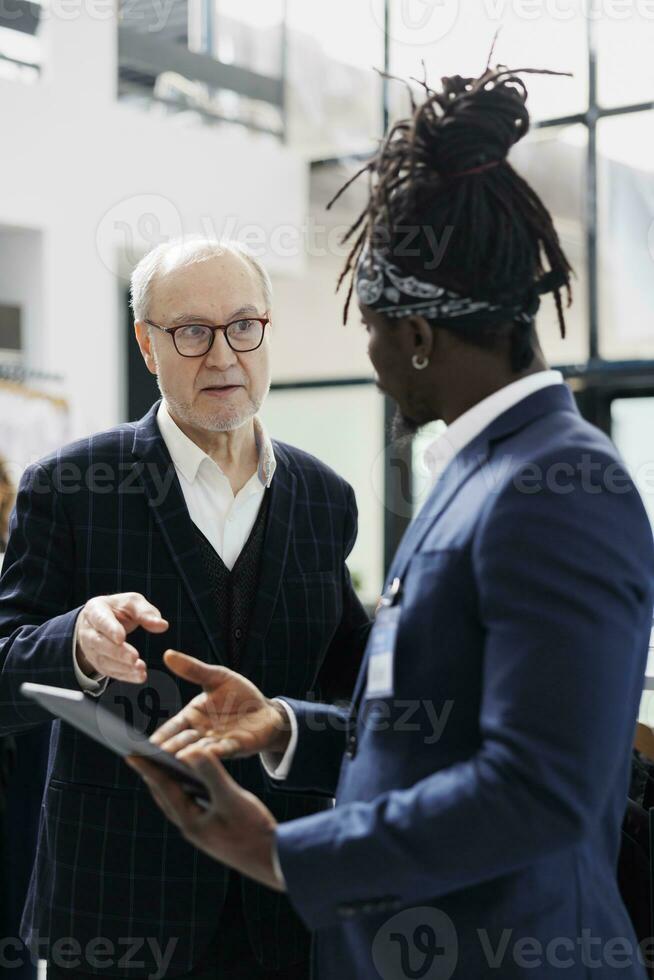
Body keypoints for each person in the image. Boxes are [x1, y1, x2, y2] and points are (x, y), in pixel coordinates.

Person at [128, 65, 654, 980]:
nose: (369, 360)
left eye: (369, 329)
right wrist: (286, 724)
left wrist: (279, 852)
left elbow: (538, 791)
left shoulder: (563, 490)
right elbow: (441, 730)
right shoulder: (482, 469)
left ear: (415, 336)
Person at [0, 239, 370, 979]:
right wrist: (74, 639)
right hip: (116, 911)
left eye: (243, 326)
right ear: (147, 343)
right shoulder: (70, 486)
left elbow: (347, 684)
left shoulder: (325, 498)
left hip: (280, 901)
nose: (224, 355)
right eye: (192, 332)